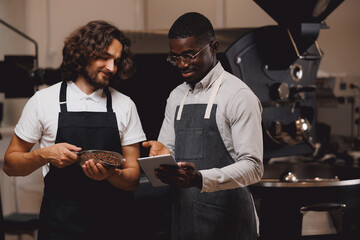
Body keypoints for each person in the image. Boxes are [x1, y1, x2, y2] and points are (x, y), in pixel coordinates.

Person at [3, 20, 146, 240]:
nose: (112, 68)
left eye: (116, 61)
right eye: (105, 57)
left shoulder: (125, 105)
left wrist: (111, 174)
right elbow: (10, 165)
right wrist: (44, 155)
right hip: (60, 225)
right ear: (86, 52)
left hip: (114, 225)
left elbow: (133, 178)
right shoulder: (43, 101)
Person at [142, 12, 263, 240]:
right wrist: (161, 159)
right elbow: (169, 154)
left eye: (189, 55)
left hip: (230, 224)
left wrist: (199, 179)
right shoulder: (176, 96)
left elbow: (254, 168)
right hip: (185, 220)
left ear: (214, 47)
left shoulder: (238, 96)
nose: (182, 64)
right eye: (175, 57)